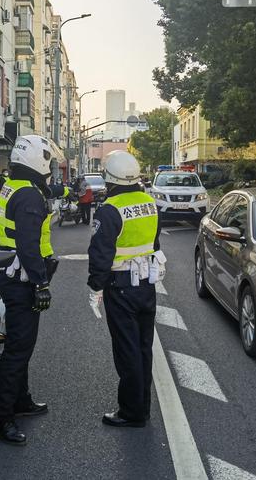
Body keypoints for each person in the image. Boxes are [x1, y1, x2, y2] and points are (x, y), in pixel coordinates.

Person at [0, 135, 68, 446]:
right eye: (47, 162)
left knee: (20, 345)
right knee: (18, 349)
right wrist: (41, 284)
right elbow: (28, 245)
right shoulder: (29, 197)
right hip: (22, 279)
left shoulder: (16, 186)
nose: (49, 167)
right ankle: (1, 417)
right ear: (37, 162)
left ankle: (20, 400)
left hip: (12, 275)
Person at [87, 151, 163, 428]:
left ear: (110, 179)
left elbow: (100, 254)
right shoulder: (150, 203)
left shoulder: (110, 209)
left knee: (127, 350)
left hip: (120, 287)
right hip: (147, 286)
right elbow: (155, 243)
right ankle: (142, 407)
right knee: (144, 348)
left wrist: (95, 286)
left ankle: (131, 412)